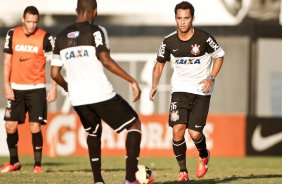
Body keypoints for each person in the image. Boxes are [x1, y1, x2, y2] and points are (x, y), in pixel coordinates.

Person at [50, 0, 142, 183]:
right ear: (95, 12)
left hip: (78, 98)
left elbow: (54, 73)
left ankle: (98, 180)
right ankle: (130, 179)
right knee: (134, 124)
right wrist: (132, 80)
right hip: (99, 93)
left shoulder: (60, 37)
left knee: (93, 132)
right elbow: (106, 60)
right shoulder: (96, 31)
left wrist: (69, 88)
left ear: (77, 11)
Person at [150, 1, 225, 182]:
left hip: (201, 91)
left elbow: (220, 56)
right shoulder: (168, 41)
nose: (183, 22)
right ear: (175, 19)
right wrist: (154, 85)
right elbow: (160, 64)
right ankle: (183, 172)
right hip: (180, 90)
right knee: (178, 130)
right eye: (179, 18)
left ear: (192, 18)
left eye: (186, 18)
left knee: (195, 134)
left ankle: (203, 154)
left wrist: (211, 77)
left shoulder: (204, 38)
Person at [0, 6, 57, 173]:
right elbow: (7, 62)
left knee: (35, 126)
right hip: (15, 88)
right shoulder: (12, 34)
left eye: (35, 22)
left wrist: (53, 87)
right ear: (23, 20)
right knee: (10, 126)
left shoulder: (46, 37)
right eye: (29, 21)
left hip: (36, 88)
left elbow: (55, 63)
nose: (32, 25)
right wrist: (6, 85)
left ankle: (37, 166)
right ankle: (14, 162)